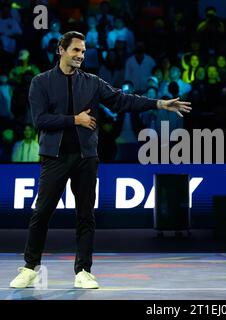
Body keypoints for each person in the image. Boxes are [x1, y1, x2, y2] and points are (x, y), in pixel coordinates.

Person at [9, 31, 191, 289]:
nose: (81, 56)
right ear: (61, 50)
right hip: (54, 157)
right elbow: (40, 120)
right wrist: (75, 119)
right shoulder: (41, 82)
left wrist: (159, 104)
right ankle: (30, 268)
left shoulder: (92, 82)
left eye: (83, 51)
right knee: (41, 213)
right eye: (76, 50)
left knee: (86, 216)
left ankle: (83, 270)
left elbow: (122, 100)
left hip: (86, 157)